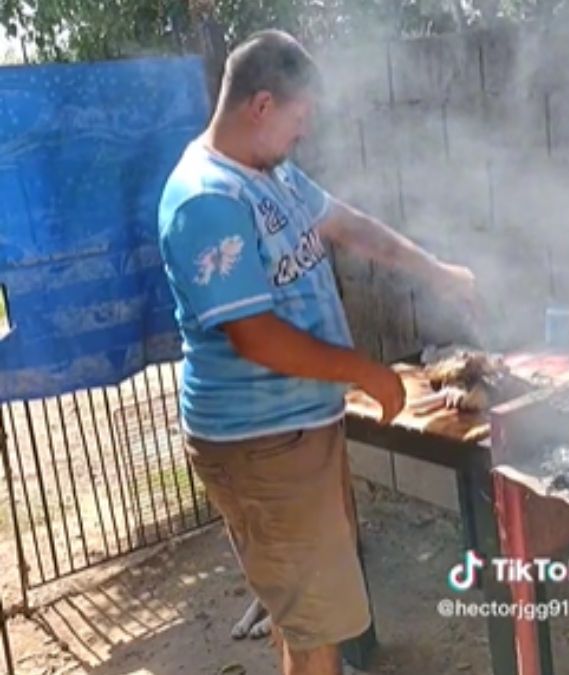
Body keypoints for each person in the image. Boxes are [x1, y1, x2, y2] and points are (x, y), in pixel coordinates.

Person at [157, 29, 476, 675]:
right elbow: (255, 335)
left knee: (307, 614)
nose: (303, 134)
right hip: (261, 444)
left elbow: (347, 224)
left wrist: (435, 270)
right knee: (314, 632)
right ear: (262, 105)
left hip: (297, 431)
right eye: (299, 119)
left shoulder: (269, 172)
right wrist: (367, 374)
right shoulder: (208, 199)